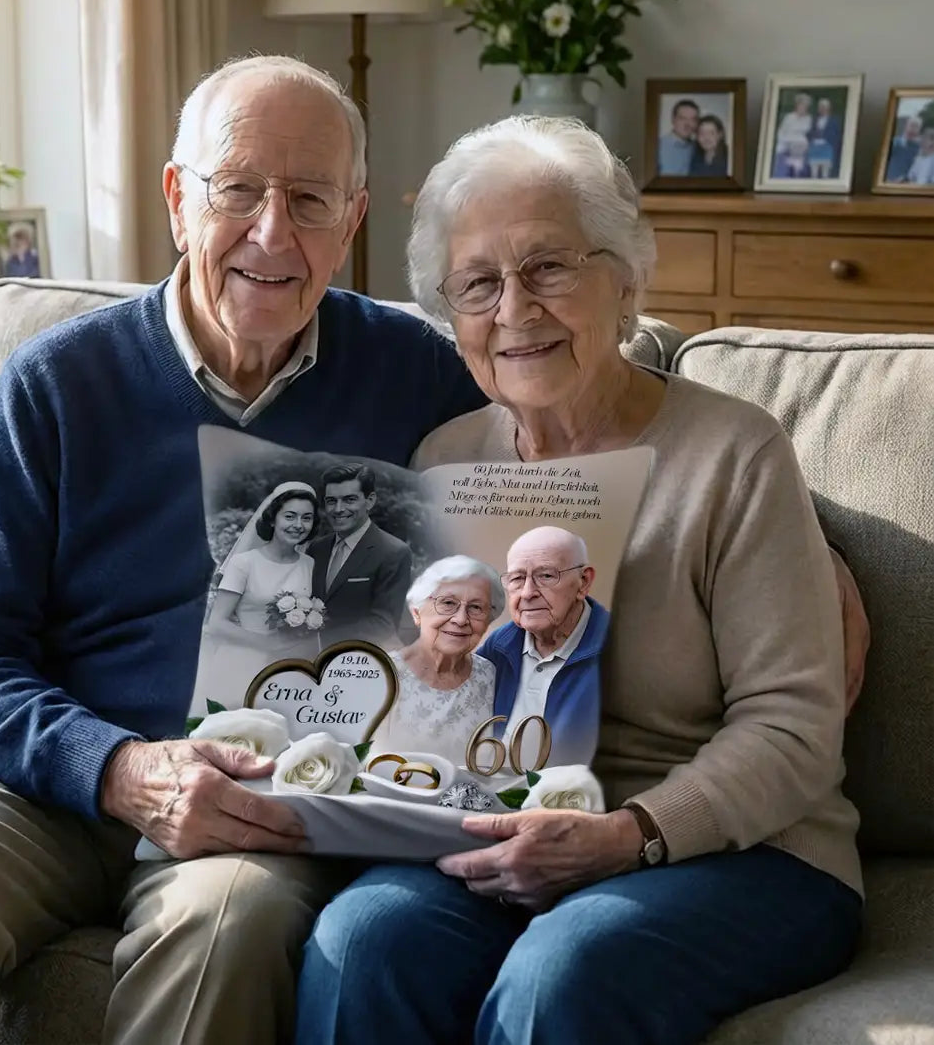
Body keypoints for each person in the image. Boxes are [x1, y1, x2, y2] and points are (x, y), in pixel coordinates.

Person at [0, 55, 488, 1045]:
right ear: (179, 199)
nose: (272, 232)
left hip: (263, 791)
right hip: (51, 774)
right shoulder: (58, 381)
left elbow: (547, 499)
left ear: (351, 225)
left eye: (308, 200)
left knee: (229, 925)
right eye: (239, 190)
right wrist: (119, 769)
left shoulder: (420, 378)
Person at [295, 116, 868, 1045]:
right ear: (449, 317)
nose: (513, 309)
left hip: (740, 853)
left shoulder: (733, 452)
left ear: (626, 279)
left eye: (548, 268)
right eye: (477, 283)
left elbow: (794, 728)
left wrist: (627, 833)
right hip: (498, 832)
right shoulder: (445, 460)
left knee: (562, 970)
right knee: (363, 940)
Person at [481, 526, 608, 769]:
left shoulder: (621, 653)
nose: (528, 593)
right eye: (517, 578)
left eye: (546, 576)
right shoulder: (497, 647)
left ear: (583, 582)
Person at [369, 556, 503, 767]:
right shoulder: (381, 675)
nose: (461, 619)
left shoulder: (489, 675)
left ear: (488, 621)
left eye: (476, 608)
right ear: (417, 612)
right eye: (448, 603)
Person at [199, 482, 319, 699]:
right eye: (290, 516)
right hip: (239, 663)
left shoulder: (309, 564)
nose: (298, 525)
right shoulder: (244, 563)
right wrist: (269, 644)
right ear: (273, 519)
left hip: (286, 670)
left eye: (306, 518)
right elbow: (217, 624)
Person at [307, 463, 413, 650]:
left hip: (357, 660)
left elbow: (382, 624)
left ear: (370, 500)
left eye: (349, 500)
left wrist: (315, 643)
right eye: (331, 501)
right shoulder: (317, 548)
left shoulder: (393, 552)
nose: (338, 509)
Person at [656, 99, 698, 175]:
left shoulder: (698, 147)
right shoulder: (657, 146)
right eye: (682, 118)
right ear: (673, 119)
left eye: (692, 119)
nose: (687, 124)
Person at [807, 98, 843, 179]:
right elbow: (809, 133)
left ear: (828, 108)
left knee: (825, 174)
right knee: (813, 173)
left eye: (824, 107)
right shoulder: (814, 119)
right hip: (814, 148)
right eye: (820, 107)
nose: (822, 109)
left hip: (827, 149)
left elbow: (836, 135)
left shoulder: (834, 120)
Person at [886, 115, 923, 181]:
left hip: (905, 183)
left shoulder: (919, 149)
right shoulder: (893, 143)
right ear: (906, 126)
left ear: (919, 130)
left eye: (916, 127)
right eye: (911, 125)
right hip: (887, 180)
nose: (913, 129)